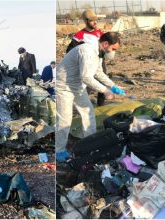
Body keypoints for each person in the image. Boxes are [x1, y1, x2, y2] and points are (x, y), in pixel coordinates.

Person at [56, 32, 126, 162]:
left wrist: (113, 86)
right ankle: (59, 150)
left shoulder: (98, 52)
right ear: (105, 44)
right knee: (64, 119)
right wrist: (105, 91)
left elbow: (98, 72)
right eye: (113, 49)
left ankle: (91, 143)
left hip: (77, 86)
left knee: (88, 112)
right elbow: (87, 77)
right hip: (65, 86)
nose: (113, 52)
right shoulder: (87, 51)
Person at [66, 9, 107, 106]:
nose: (95, 22)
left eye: (96, 20)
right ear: (85, 21)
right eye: (92, 21)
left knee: (102, 83)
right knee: (86, 86)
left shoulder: (100, 33)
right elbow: (70, 51)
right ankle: (82, 106)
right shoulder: (79, 36)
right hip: (87, 66)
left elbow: (106, 47)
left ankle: (101, 106)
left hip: (100, 63)